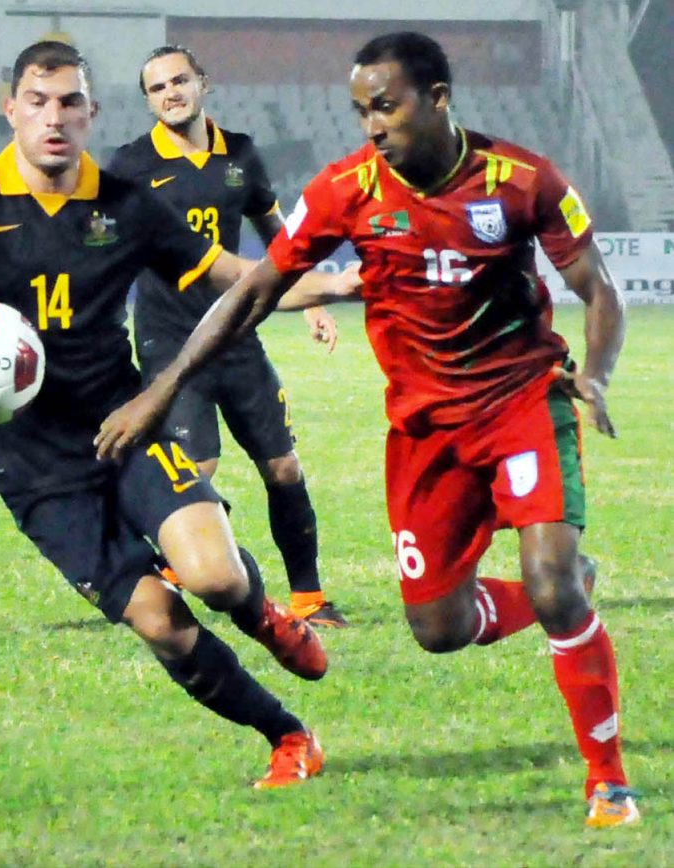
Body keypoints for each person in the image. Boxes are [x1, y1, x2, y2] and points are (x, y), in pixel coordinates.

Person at [95, 32, 639, 827]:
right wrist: (163, 387)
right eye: (360, 111)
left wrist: (592, 374)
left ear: (438, 98)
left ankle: (607, 780)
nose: (371, 125)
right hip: (422, 431)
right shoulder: (345, 190)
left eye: (384, 106)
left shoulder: (520, 180)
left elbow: (597, 288)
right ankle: (564, 588)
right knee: (437, 627)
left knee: (552, 585)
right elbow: (254, 290)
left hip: (521, 402)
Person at [0, 41, 344, 787]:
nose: (53, 117)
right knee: (161, 620)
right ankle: (288, 736)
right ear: (11, 110)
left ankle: (265, 615)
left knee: (216, 578)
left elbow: (237, 279)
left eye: (69, 102)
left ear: (91, 113)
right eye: (37, 101)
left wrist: (335, 283)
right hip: (31, 463)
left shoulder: (127, 205)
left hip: (122, 425)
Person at [107, 46, 348, 628]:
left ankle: (310, 600)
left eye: (180, 81)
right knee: (198, 470)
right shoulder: (129, 165)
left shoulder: (239, 154)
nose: (171, 93)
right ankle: (164, 573)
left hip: (239, 335)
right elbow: (103, 244)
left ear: (203, 84)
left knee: (284, 469)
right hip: (171, 343)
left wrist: (310, 297)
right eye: (158, 87)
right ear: (147, 100)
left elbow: (275, 229)